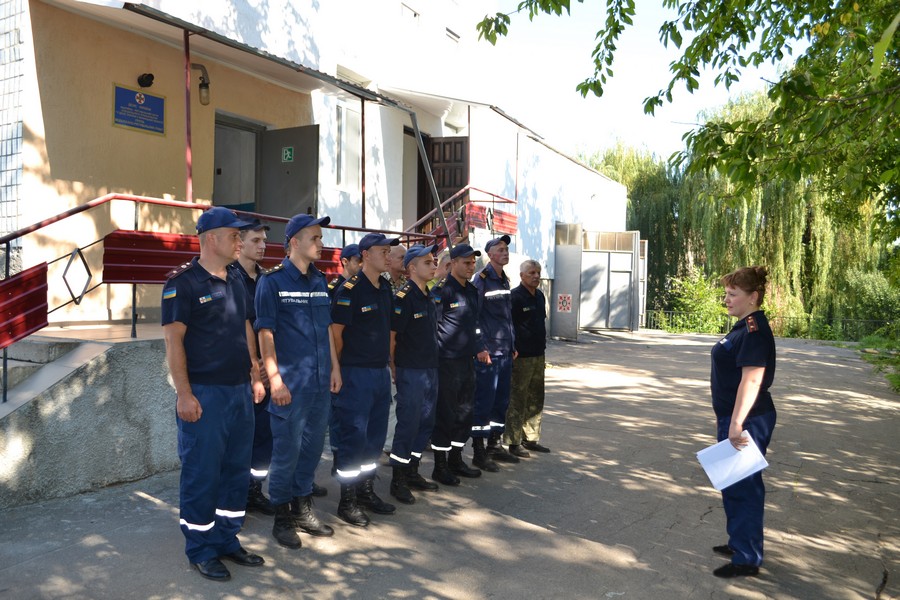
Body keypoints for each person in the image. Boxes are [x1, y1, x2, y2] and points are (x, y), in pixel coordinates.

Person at [161, 206, 266, 582]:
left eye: (242, 235)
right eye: (234, 235)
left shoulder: (237, 277)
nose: (240, 240)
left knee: (236, 470)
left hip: (239, 390)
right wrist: (184, 394)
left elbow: (245, 326)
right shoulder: (183, 282)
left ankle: (226, 539)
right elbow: (174, 344)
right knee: (202, 472)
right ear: (210, 239)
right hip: (204, 394)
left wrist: (255, 372)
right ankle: (201, 549)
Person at [255, 214, 341, 549]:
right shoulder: (272, 282)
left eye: (320, 238)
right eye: (315, 238)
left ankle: (303, 506)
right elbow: (265, 333)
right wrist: (275, 380)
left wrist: (335, 368)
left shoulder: (320, 281)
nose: (321, 244)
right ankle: (282, 516)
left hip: (320, 383)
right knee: (286, 452)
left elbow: (326, 332)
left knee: (312, 449)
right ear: (294, 242)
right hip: (290, 385)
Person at [709, 266, 776, 578]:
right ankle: (740, 542)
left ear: (753, 297)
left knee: (744, 487)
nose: (727, 299)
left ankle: (748, 558)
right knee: (732, 484)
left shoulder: (753, 331)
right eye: (726, 293)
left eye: (733, 294)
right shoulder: (742, 327)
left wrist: (736, 425)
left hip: (747, 419)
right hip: (734, 417)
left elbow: (751, 380)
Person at [330, 232, 400, 526]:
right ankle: (347, 500)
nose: (387, 255)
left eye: (388, 250)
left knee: (374, 437)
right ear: (366, 255)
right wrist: (337, 369)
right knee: (353, 437)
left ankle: (366, 490)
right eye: (383, 251)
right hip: (355, 372)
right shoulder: (350, 288)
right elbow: (335, 335)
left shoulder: (385, 287)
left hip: (379, 372)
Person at [387, 244, 441, 504]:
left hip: (430, 367)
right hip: (411, 370)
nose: (434, 265)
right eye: (428, 262)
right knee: (408, 423)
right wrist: (394, 367)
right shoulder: (404, 297)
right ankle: (398, 479)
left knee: (426, 422)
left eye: (434, 262)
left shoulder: (428, 294)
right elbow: (392, 337)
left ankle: (412, 470)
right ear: (412, 268)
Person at [429, 244, 483, 485]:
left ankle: (456, 458)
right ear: (453, 264)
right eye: (466, 262)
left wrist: (479, 346)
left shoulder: (471, 291)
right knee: (446, 413)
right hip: (447, 362)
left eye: (473, 263)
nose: (471, 267)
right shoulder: (443, 291)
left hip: (467, 360)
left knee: (464, 411)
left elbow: (475, 324)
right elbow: (433, 327)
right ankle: (440, 466)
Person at [232, 219, 275, 516]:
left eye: (264, 241)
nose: (262, 246)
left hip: (265, 369)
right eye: (255, 241)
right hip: (239, 370)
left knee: (263, 435)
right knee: (238, 438)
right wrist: (252, 366)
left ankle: (254, 490)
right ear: (239, 243)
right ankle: (233, 495)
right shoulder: (228, 277)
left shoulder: (266, 280)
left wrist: (269, 366)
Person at [470, 234, 518, 471]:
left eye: (506, 249)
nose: (505, 252)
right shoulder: (482, 280)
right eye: (500, 249)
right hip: (488, 352)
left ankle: (494, 445)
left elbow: (507, 318)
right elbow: (474, 317)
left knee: (501, 400)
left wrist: (513, 345)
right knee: (484, 401)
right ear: (490, 254)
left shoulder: (504, 280)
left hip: (505, 351)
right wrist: (479, 347)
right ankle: (479, 451)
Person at [504, 259, 550, 456]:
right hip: (520, 357)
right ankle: (514, 442)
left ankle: (531, 438)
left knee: (536, 398)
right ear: (522, 275)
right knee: (517, 399)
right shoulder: (515, 297)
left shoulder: (539, 296)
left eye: (538, 272)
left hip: (538, 355)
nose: (536, 276)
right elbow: (509, 326)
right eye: (531, 273)